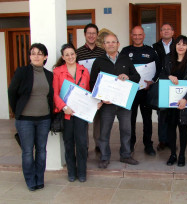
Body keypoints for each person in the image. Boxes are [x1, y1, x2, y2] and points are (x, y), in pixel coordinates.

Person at [90, 34, 141, 169]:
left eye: (113, 42)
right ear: (104, 45)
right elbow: (92, 83)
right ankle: (105, 157)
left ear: (118, 44)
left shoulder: (125, 59)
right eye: (108, 42)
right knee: (104, 131)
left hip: (124, 102)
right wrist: (101, 98)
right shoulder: (99, 61)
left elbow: (137, 76)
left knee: (126, 130)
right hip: (107, 104)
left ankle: (125, 155)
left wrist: (128, 76)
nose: (111, 44)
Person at [8, 43, 53, 191]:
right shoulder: (22, 72)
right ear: (29, 56)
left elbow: (50, 97)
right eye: (33, 53)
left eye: (39, 53)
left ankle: (39, 178)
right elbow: (12, 92)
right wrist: (17, 111)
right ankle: (30, 180)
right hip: (25, 120)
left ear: (45, 57)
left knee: (41, 151)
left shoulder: (49, 75)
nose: (36, 56)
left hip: (44, 119)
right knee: (27, 151)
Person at [53, 44, 98, 182]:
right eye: (67, 54)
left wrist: (95, 103)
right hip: (66, 113)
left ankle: (82, 172)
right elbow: (54, 93)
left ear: (76, 54)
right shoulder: (57, 71)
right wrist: (63, 107)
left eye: (72, 54)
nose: (70, 57)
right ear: (63, 57)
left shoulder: (83, 70)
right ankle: (71, 172)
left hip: (81, 113)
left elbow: (88, 91)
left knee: (82, 143)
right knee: (68, 143)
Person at [160, 35, 187, 167]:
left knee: (183, 129)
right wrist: (168, 76)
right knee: (171, 128)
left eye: (184, 44)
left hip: (185, 102)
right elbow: (160, 75)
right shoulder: (167, 58)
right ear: (175, 45)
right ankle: (173, 154)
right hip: (170, 102)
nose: (181, 46)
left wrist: (186, 99)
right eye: (178, 44)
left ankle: (182, 154)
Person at [120, 26, 161, 155]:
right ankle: (130, 144)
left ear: (143, 36)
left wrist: (153, 81)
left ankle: (148, 144)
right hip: (131, 91)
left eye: (140, 35)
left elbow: (158, 69)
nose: (137, 37)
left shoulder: (151, 51)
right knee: (130, 119)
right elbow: (120, 68)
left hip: (146, 91)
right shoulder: (125, 51)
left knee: (147, 119)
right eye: (135, 35)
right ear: (131, 35)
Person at [76, 23, 105, 153]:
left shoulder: (102, 52)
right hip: (84, 91)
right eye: (89, 33)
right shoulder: (78, 53)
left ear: (97, 35)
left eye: (94, 33)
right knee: (84, 120)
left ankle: (98, 144)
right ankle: (84, 146)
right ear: (85, 35)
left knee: (99, 120)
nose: (91, 36)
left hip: (98, 91)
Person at [152, 23, 175, 151]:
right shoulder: (155, 47)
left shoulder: (178, 44)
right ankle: (162, 140)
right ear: (160, 32)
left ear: (173, 31)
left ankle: (171, 140)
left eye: (168, 29)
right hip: (161, 82)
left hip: (175, 82)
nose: (166, 31)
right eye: (163, 29)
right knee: (162, 113)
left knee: (173, 113)